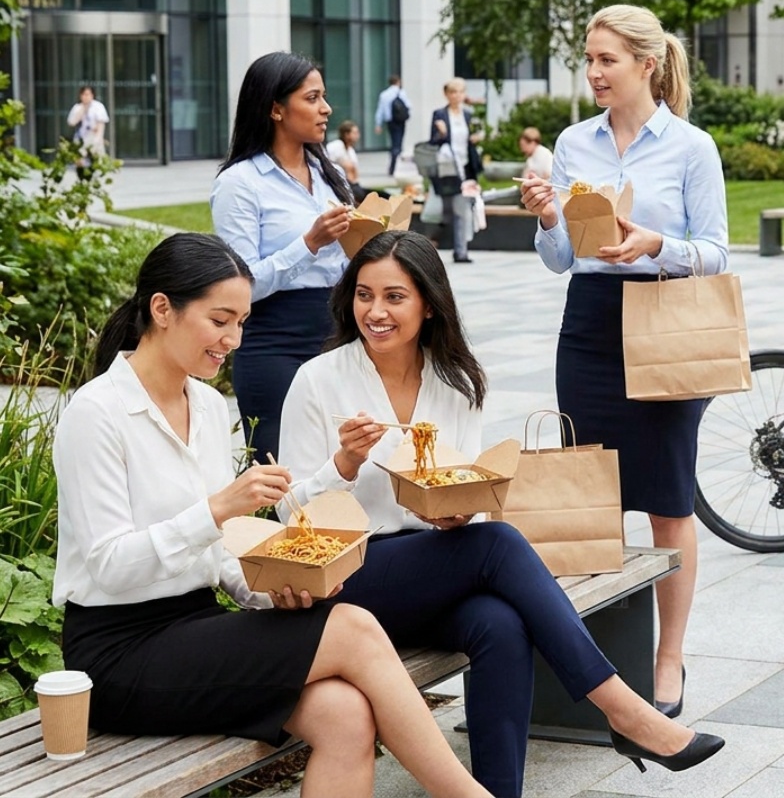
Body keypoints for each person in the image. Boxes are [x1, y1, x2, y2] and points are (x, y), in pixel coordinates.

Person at [278, 231, 724, 795]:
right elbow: (289, 515)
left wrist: (453, 513)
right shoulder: (319, 379)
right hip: (348, 575)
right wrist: (344, 463)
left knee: (500, 624)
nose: (375, 312)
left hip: (429, 565)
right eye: (364, 295)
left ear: (429, 304)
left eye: (394, 297)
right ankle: (623, 710)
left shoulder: (457, 382)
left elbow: (453, 485)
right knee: (500, 542)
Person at [54, 233, 493, 798]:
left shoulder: (208, 405)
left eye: (241, 322)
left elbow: (221, 558)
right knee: (353, 626)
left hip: (194, 626)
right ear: (162, 309)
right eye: (220, 321)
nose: (233, 340)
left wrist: (274, 588)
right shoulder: (96, 412)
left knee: (345, 714)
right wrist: (218, 509)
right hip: (118, 652)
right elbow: (109, 566)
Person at [519, 4, 727, 722]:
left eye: (606, 59)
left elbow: (718, 252)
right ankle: (593, 663)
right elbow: (561, 259)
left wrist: (656, 246)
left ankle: (668, 657)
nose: (593, 72)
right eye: (589, 59)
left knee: (669, 502)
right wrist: (549, 218)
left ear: (647, 63)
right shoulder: (573, 144)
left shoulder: (692, 148)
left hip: (666, 324)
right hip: (589, 327)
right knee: (588, 496)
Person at [212, 51, 355, 465]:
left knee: (344, 465)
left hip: (339, 336)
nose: (326, 108)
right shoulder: (240, 183)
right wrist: (309, 243)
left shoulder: (331, 175)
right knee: (282, 471)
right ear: (276, 109)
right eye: (312, 98)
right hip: (275, 341)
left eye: (324, 96)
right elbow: (241, 286)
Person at [429, 77, 483, 264]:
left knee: (462, 209)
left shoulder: (468, 115)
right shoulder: (439, 114)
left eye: (459, 92)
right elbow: (432, 143)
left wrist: (476, 138)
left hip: (464, 169)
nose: (456, 96)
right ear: (446, 94)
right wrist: (442, 133)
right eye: (452, 92)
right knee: (445, 211)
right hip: (447, 169)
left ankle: (461, 251)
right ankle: (433, 242)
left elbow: (472, 137)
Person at [66, 85, 109, 178]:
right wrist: (83, 110)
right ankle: (82, 177)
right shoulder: (77, 107)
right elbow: (72, 122)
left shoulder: (98, 107)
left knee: (96, 162)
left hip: (93, 138)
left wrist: (98, 139)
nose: (86, 97)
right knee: (80, 161)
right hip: (80, 138)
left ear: (92, 95)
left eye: (88, 94)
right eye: (84, 94)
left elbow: (101, 125)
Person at [326, 120, 374, 203]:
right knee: (361, 196)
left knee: (381, 195)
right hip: (341, 185)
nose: (357, 136)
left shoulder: (351, 150)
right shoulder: (336, 146)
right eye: (354, 133)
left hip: (353, 185)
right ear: (346, 134)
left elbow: (355, 171)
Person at [375, 75, 411, 176]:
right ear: (398, 82)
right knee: (398, 143)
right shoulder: (401, 93)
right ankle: (395, 166)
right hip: (400, 121)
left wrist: (378, 124)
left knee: (394, 141)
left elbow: (380, 110)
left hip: (390, 121)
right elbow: (409, 106)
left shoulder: (384, 94)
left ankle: (393, 166)